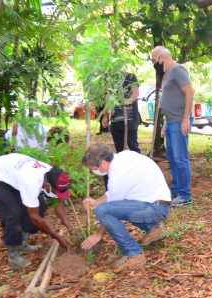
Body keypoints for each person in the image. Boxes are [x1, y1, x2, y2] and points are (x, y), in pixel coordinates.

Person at [79, 144, 171, 273]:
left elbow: (110, 209)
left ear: (103, 163)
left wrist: (98, 234)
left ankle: (134, 254)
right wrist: (96, 202)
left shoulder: (117, 175)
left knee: (102, 211)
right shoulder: (125, 156)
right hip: (160, 204)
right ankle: (154, 229)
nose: (93, 171)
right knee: (114, 206)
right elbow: (113, 195)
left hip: (152, 209)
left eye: (93, 168)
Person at [0, 153, 73, 269]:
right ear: (47, 184)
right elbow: (35, 217)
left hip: (13, 174)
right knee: (13, 213)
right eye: (56, 191)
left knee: (40, 206)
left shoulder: (51, 173)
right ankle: (13, 255)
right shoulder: (32, 182)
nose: (57, 194)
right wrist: (57, 237)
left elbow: (58, 202)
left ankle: (22, 242)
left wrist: (69, 226)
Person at [151, 45, 194, 206]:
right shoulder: (167, 74)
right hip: (170, 122)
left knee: (180, 158)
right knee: (172, 159)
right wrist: (164, 124)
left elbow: (190, 92)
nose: (154, 63)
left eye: (154, 60)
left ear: (162, 57)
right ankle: (176, 191)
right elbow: (167, 99)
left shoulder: (177, 70)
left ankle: (185, 195)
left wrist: (185, 119)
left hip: (179, 121)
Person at [107, 72, 142, 152]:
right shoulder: (111, 79)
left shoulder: (130, 77)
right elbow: (109, 98)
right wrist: (107, 115)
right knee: (119, 148)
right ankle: (122, 164)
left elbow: (135, 93)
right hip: (115, 120)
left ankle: (137, 164)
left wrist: (126, 101)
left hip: (130, 119)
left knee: (133, 146)